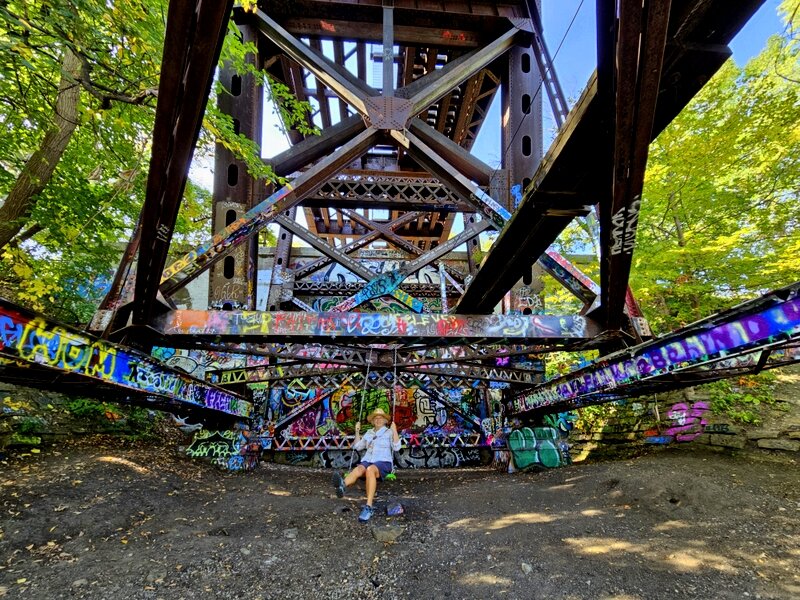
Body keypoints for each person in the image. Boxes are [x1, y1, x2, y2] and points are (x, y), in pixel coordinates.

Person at [332, 407, 401, 522]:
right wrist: (357, 432)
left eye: (381, 418)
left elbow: (397, 447)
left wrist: (394, 431)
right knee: (359, 468)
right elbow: (357, 447)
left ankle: (368, 507)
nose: (378, 420)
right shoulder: (369, 433)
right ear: (373, 421)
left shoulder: (389, 432)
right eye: (376, 418)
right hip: (368, 459)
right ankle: (342, 486)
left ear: (385, 421)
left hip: (383, 462)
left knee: (370, 469)